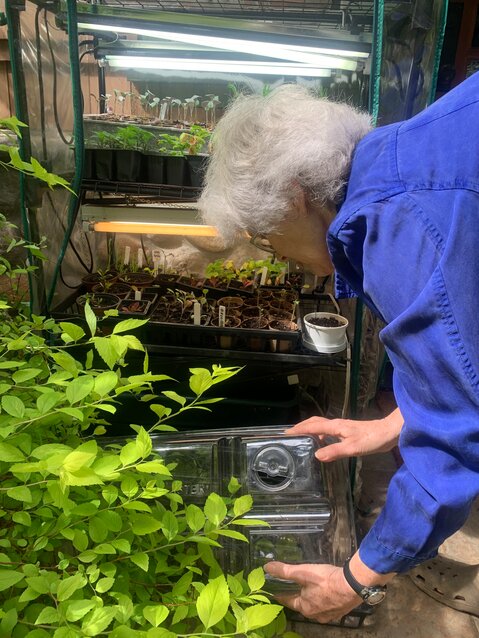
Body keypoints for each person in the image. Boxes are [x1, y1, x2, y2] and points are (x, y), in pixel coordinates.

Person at [198, 72, 479, 623]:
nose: (278, 255)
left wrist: (356, 580)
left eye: (266, 238)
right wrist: (397, 422)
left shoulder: (401, 222)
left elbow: (456, 436)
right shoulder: (414, 153)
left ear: (296, 198)